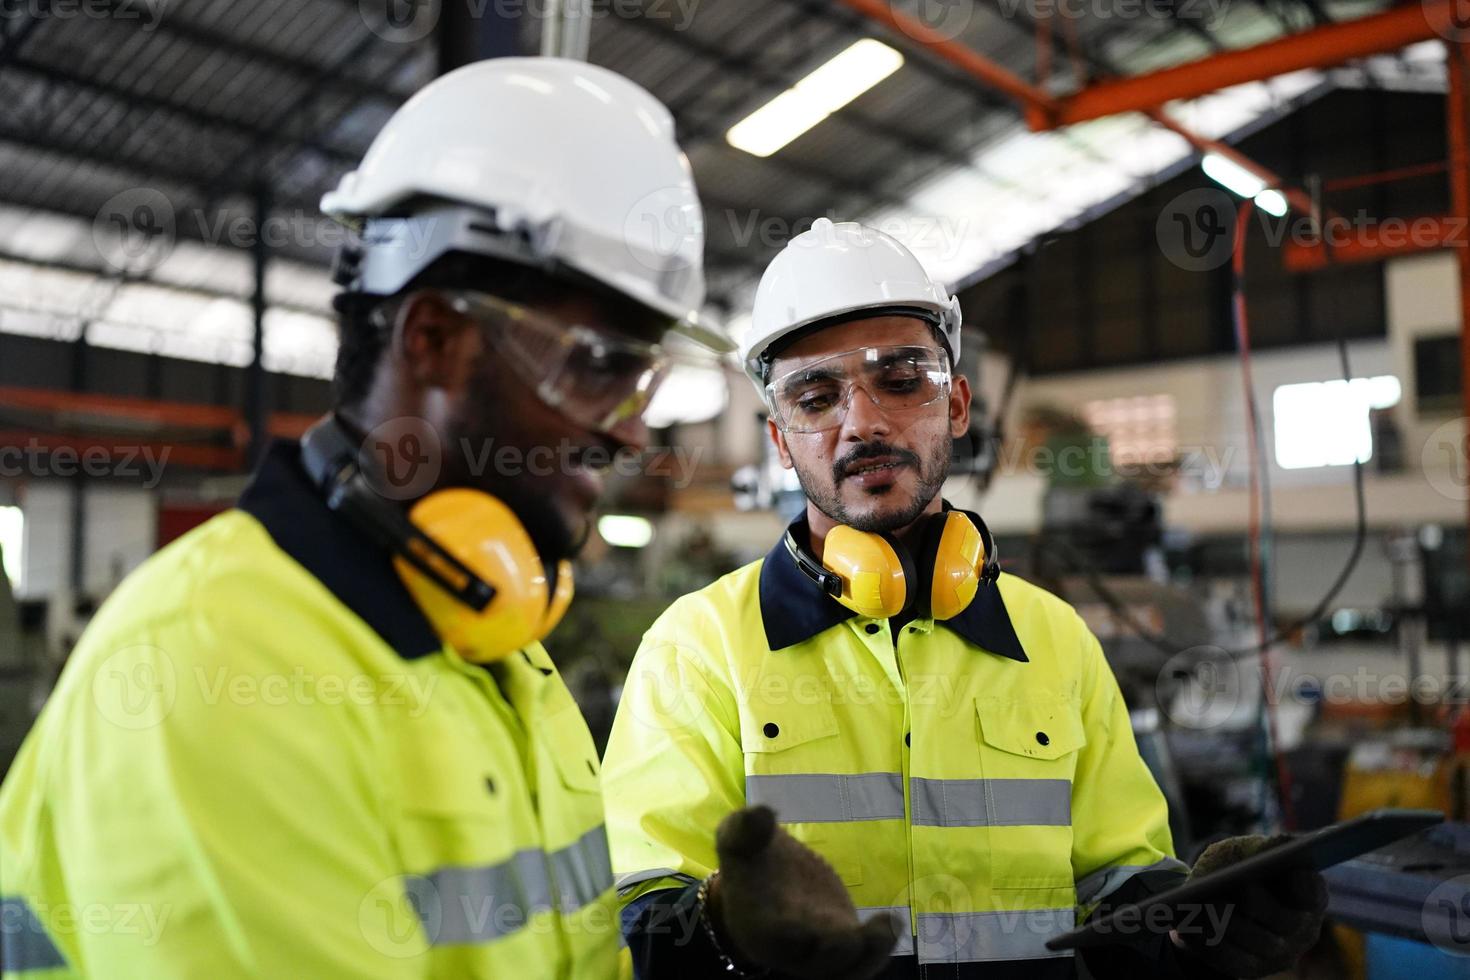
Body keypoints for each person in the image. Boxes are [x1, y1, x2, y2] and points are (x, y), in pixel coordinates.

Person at [0, 58, 727, 978]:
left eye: (644, 379)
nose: (631, 432)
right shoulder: (215, 665)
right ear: (432, 338)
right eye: (598, 367)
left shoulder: (505, 645)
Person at [601, 219, 1327, 980]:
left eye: (901, 380)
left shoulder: (1053, 637)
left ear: (956, 406)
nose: (864, 423)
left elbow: (1118, 883)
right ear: (781, 441)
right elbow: (640, 915)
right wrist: (722, 931)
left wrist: (1198, 926)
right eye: (816, 397)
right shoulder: (699, 647)